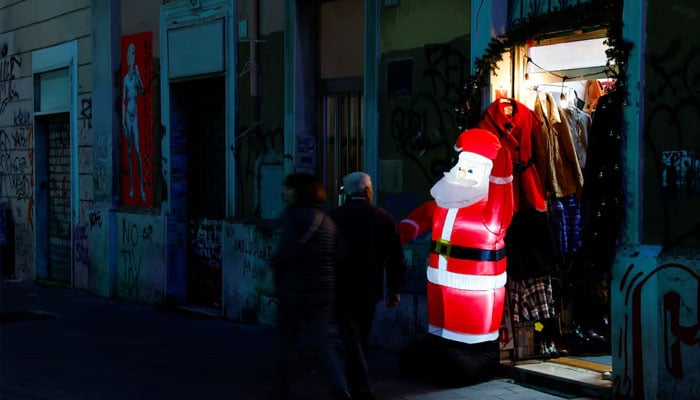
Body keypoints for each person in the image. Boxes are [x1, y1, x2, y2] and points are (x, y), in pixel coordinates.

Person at [397, 128, 514, 386]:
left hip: (473, 287)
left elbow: (502, 210)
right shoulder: (443, 200)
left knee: (464, 339)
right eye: (461, 167)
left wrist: (503, 177)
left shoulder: (488, 209)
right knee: (439, 333)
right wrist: (400, 233)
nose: (462, 174)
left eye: (470, 170)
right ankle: (441, 345)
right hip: (438, 280)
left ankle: (473, 355)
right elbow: (420, 218)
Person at [269, 173, 351, 400]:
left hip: (295, 290)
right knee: (322, 342)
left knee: (286, 340)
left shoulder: (293, 217)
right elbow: (340, 255)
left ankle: (282, 390)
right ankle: (340, 389)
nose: (283, 193)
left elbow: (286, 253)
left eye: (288, 188)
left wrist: (276, 271)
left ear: (299, 192)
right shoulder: (326, 220)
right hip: (324, 290)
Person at [329, 172, 407, 400]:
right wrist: (394, 289)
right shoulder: (383, 218)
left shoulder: (334, 217)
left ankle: (355, 384)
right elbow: (395, 258)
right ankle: (360, 387)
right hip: (369, 288)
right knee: (360, 336)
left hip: (341, 288)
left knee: (349, 337)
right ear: (368, 191)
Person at [122, 42, 147, 203]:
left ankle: (142, 188)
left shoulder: (135, 75)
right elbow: (123, 101)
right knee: (130, 153)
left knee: (137, 152)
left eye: (134, 53)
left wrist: (138, 76)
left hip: (135, 117)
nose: (132, 56)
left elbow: (143, 92)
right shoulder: (124, 79)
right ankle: (131, 187)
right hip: (127, 117)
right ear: (126, 57)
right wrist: (124, 122)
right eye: (130, 53)